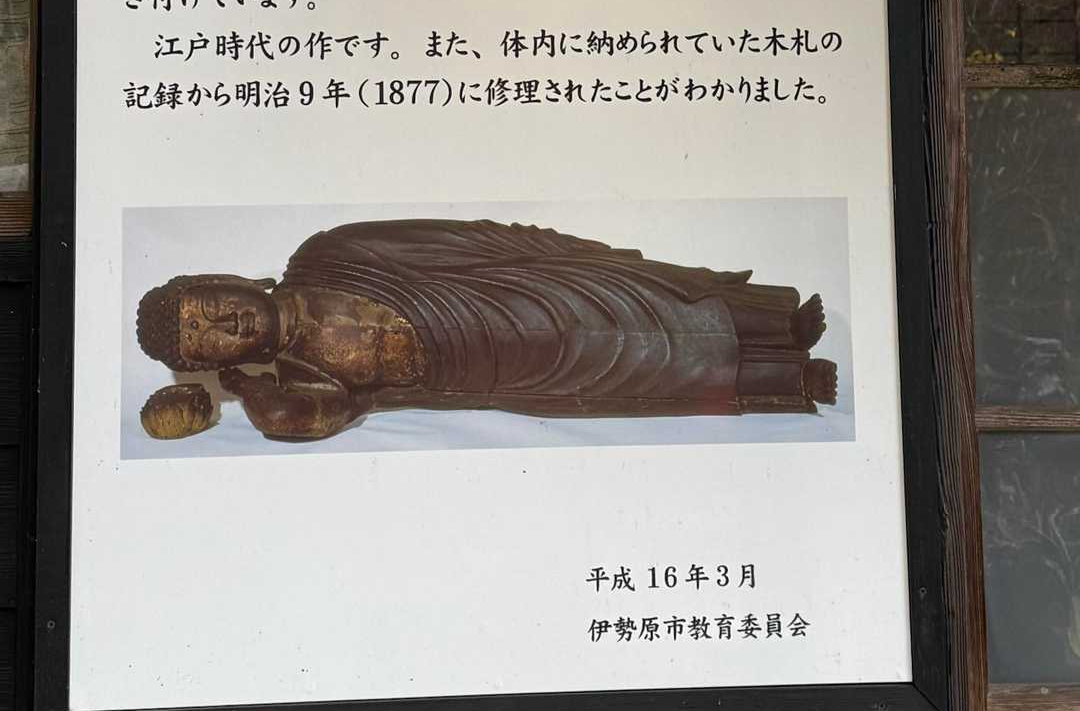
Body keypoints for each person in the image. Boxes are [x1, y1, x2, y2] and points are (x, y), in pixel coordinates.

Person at [136, 217, 837, 442]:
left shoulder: (328, 253)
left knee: (649, 299)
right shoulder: (302, 376)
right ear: (216, 360)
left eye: (208, 304)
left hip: (513, 291)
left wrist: (568, 251)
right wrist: (244, 389)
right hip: (499, 369)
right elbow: (303, 418)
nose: (224, 320)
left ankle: (781, 322)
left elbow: (462, 237)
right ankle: (788, 377)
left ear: (224, 278)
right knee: (649, 374)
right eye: (208, 338)